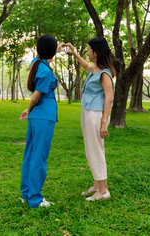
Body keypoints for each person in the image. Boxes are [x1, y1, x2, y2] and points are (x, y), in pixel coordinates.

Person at [64, 38, 114, 201]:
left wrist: (104, 122)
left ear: (96, 51)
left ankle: (104, 190)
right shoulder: (95, 69)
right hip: (87, 112)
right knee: (90, 149)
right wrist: (75, 53)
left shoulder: (105, 73)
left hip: (95, 114)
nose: (87, 51)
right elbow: (86, 65)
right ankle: (97, 185)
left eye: (89, 49)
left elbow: (109, 98)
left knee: (96, 150)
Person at [19, 34, 63, 208]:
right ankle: (35, 199)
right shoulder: (45, 71)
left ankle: (26, 194)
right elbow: (37, 96)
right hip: (43, 116)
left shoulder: (36, 64)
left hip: (37, 117)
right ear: (50, 52)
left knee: (30, 154)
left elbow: (44, 57)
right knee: (39, 157)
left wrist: (55, 50)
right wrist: (28, 109)